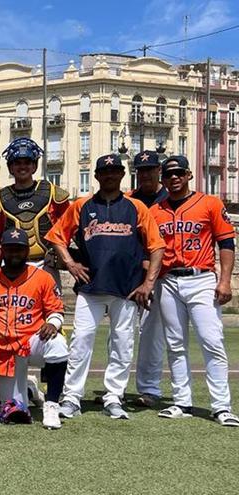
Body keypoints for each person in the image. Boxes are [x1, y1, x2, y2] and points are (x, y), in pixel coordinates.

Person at [46, 153, 165, 420]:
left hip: (126, 288)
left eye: (115, 172)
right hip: (91, 287)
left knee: (123, 344)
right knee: (81, 342)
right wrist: (71, 264)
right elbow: (56, 236)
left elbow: (156, 246)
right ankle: (72, 397)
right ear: (97, 175)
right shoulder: (81, 205)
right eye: (104, 172)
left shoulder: (136, 207)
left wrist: (148, 283)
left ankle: (114, 396)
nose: (110, 176)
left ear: (123, 175)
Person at [150, 155, 238, 427]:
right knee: (175, 344)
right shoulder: (156, 210)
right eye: (169, 174)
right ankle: (181, 401)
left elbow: (226, 243)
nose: (174, 178)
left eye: (179, 173)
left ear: (189, 175)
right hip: (168, 281)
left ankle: (221, 406)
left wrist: (225, 281)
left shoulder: (210, 203)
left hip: (201, 279)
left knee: (211, 341)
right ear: (162, 179)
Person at [0, 229, 69, 430]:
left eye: (19, 249)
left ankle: (52, 405)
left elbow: (57, 310)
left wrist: (52, 323)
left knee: (59, 345)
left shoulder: (42, 277)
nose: (14, 254)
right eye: (10, 249)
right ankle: (29, 389)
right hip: (3, 350)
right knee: (14, 407)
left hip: (32, 342)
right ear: (2, 250)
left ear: (27, 251)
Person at [0, 137, 70, 283]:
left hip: (46, 264)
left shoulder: (52, 192)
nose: (22, 167)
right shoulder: (0, 198)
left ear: (34, 166)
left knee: (51, 306)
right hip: (11, 266)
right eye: (17, 163)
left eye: (27, 162)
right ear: (11, 167)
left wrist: (66, 258)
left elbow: (70, 227)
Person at [129, 150, 170, 407]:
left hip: (157, 276)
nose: (145, 174)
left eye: (150, 169)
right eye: (141, 170)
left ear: (159, 172)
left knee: (152, 334)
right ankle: (115, 387)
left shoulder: (169, 200)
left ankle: (149, 389)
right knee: (119, 334)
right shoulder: (127, 200)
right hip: (128, 276)